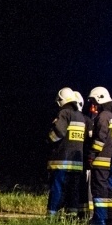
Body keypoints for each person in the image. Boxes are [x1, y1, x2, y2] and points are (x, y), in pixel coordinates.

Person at [46, 87, 87, 217]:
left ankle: (52, 217)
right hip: (76, 163)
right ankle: (71, 218)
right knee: (73, 191)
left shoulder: (64, 113)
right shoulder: (80, 116)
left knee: (57, 189)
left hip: (61, 161)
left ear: (61, 100)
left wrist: (49, 139)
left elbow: (59, 132)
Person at [86, 87, 112, 225]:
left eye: (94, 102)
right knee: (110, 189)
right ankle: (111, 217)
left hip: (100, 160)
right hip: (111, 160)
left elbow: (100, 139)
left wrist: (92, 155)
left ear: (100, 100)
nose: (93, 105)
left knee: (99, 189)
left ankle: (99, 219)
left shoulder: (103, 117)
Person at [75, 91, 93, 219]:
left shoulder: (68, 117)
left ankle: (80, 212)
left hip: (78, 157)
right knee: (82, 186)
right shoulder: (87, 120)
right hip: (83, 157)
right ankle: (83, 212)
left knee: (79, 186)